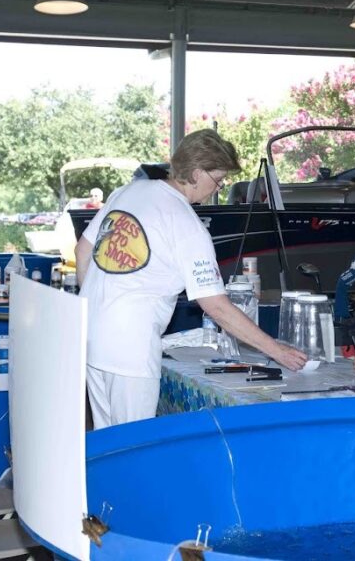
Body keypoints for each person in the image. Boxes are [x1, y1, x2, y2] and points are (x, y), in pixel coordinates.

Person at [75, 129, 307, 428]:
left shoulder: (128, 192)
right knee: (134, 444)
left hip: (91, 335)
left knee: (107, 440)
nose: (218, 187)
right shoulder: (186, 223)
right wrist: (277, 351)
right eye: (218, 179)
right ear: (197, 174)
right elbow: (216, 306)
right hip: (131, 346)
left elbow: (83, 251)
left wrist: (98, 304)